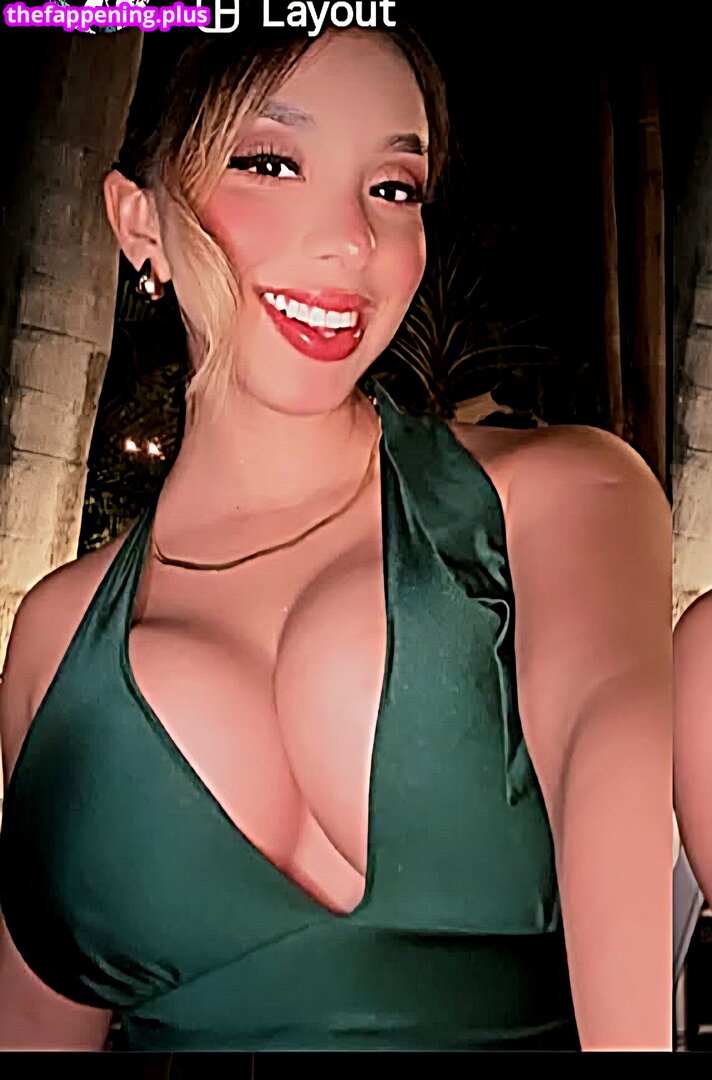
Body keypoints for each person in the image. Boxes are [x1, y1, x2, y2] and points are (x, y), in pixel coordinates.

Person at [0, 19, 672, 1054]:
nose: (354, 240)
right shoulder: (56, 637)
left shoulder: (555, 498)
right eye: (272, 163)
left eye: (393, 187)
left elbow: (618, 754)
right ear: (139, 222)